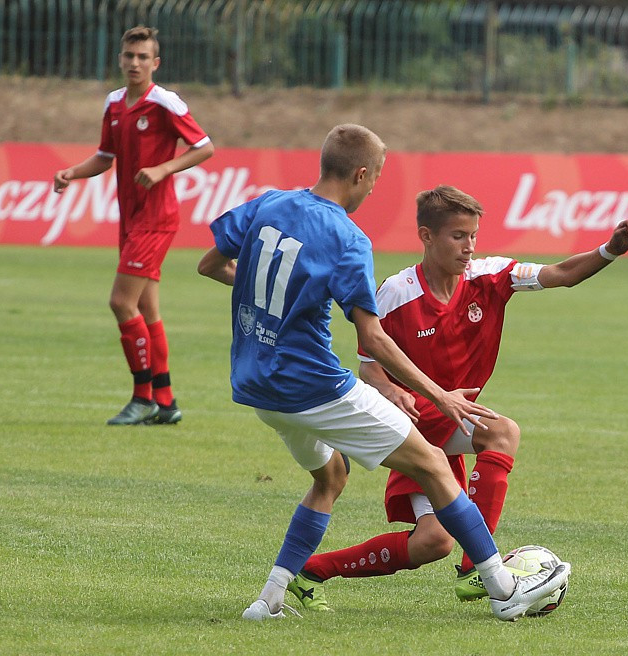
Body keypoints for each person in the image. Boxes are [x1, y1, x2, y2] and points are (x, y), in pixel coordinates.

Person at [197, 125, 569, 621]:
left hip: (255, 385)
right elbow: (372, 340)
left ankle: (268, 601)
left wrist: (272, 302)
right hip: (314, 386)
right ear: (361, 174)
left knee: (329, 477)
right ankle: (503, 589)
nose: (373, 190)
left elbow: (211, 263)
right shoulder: (348, 237)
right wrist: (441, 396)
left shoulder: (268, 204)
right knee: (435, 466)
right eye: (375, 180)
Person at [287, 185, 628, 610]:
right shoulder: (396, 293)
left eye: (473, 235)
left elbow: (562, 274)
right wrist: (393, 393)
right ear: (426, 236)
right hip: (414, 423)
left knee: (432, 542)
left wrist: (610, 250)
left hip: (453, 419)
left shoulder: (491, 276)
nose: (469, 247)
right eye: (458, 236)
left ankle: (314, 572)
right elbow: (369, 365)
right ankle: (476, 567)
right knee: (500, 436)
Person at [53, 26, 215, 425]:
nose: (135, 63)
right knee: (146, 307)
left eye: (143, 57)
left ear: (155, 63)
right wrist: (72, 172)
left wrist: (164, 168)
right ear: (120, 59)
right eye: (129, 56)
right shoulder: (114, 104)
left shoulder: (165, 102)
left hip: (156, 218)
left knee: (121, 302)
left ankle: (142, 396)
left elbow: (205, 147)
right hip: (131, 217)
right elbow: (105, 156)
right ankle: (167, 401)